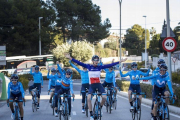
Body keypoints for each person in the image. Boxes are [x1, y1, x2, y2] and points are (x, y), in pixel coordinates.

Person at [65, 54, 126, 120]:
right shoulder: (88, 66)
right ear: (92, 61)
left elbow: (110, 65)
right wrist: (71, 58)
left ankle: (99, 108)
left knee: (104, 97)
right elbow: (79, 63)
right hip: (92, 85)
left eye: (97, 60)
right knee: (88, 99)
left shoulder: (99, 67)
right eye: (95, 60)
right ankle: (91, 114)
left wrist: (120, 61)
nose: (96, 61)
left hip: (99, 84)